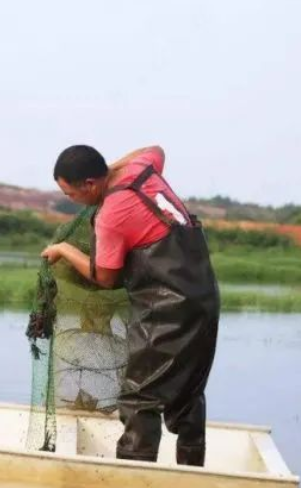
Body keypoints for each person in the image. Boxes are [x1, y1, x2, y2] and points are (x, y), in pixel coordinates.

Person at [41, 144, 219, 466]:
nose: (72, 201)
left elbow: (104, 276)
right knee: (188, 393)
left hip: (166, 310)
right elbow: (157, 149)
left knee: (139, 398)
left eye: (71, 194)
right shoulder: (142, 168)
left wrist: (65, 249)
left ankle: (133, 474)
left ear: (90, 185)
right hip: (203, 297)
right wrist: (110, 169)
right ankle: (194, 473)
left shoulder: (111, 215)